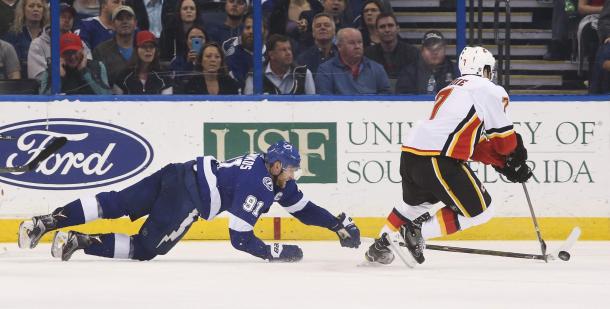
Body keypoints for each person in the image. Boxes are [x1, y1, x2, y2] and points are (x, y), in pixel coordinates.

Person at [18, 140, 361, 262]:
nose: (293, 175)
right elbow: (240, 238)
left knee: (114, 202)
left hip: (178, 172)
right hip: (189, 199)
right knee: (146, 248)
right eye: (290, 170)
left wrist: (334, 223)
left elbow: (302, 208)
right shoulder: (259, 184)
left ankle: (46, 222)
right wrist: (279, 252)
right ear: (275, 166)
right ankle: (79, 241)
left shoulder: (266, 171)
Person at [364, 46, 533, 267]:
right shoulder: (489, 89)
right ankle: (416, 231)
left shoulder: (450, 89)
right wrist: (515, 156)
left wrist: (502, 163)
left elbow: (471, 145)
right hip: (438, 159)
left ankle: (380, 247)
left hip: (411, 156)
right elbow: (504, 143)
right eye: (490, 69)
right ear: (483, 69)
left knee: (414, 207)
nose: (491, 74)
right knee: (481, 211)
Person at [315, 27, 391, 94]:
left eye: (359, 42)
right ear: (339, 46)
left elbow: (386, 99)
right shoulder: (325, 70)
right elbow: (325, 101)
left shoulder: (377, 68)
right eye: (352, 43)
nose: (357, 46)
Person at [41, 32, 111, 95]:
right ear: (60, 55)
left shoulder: (97, 66)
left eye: (74, 52)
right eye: (67, 53)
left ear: (82, 51)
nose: (72, 57)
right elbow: (42, 101)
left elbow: (106, 95)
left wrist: (84, 72)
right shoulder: (50, 71)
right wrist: (59, 77)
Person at [244, 34, 315, 95]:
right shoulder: (254, 76)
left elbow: (313, 104)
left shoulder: (304, 74)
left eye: (289, 49)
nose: (288, 53)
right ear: (271, 55)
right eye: (283, 50)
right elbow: (248, 106)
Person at [395, 30, 458, 94]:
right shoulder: (409, 72)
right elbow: (403, 99)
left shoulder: (455, 70)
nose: (435, 52)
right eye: (430, 49)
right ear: (422, 51)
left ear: (445, 49)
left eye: (438, 48)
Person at [113, 30, 172, 94]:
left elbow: (167, 102)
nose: (148, 50)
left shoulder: (164, 77)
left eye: (151, 46)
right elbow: (116, 102)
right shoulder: (123, 76)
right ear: (135, 49)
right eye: (144, 46)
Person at [92, 5, 139, 87]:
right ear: (112, 24)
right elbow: (99, 84)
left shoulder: (144, 48)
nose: (125, 22)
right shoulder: (100, 51)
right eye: (120, 19)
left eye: (128, 18)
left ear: (135, 23)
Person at [364, 13, 419, 79]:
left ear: (398, 29)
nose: (387, 30)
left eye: (390, 25)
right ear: (376, 31)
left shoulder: (412, 53)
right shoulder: (368, 54)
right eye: (382, 27)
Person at [2, 0, 49, 78]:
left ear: (44, 11)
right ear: (23, 10)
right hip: (21, 83)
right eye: (31, 6)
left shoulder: (49, 35)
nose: (36, 9)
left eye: (39, 6)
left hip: (46, 84)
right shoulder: (12, 35)